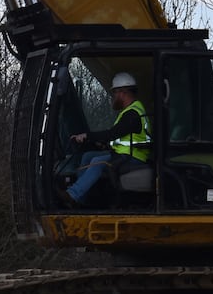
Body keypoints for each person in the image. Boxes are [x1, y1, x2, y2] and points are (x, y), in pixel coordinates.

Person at [63, 72, 152, 206]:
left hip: (134, 156)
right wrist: (104, 145)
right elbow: (118, 138)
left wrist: (88, 136)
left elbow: (112, 134)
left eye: (115, 93)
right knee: (88, 156)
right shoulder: (130, 111)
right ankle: (80, 200)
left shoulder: (132, 114)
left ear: (123, 92)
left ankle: (72, 195)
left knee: (98, 162)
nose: (113, 97)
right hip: (123, 154)